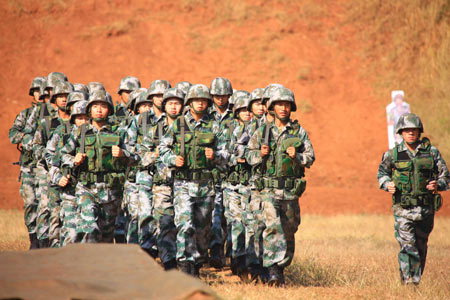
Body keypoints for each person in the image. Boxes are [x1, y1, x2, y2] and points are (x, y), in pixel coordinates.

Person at [246, 85, 315, 286]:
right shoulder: (262, 131)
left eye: (286, 105)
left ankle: (279, 267)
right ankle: (274, 270)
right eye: (279, 105)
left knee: (289, 229)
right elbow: (248, 156)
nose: (283, 108)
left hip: (290, 191)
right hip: (267, 190)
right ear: (272, 108)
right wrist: (260, 154)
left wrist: (298, 156)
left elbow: (311, 157)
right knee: (272, 227)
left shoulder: (298, 131)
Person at [159, 84, 228, 277]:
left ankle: (196, 263)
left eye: (203, 100)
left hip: (206, 186)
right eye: (196, 100)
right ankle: (185, 266)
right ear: (189, 102)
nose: (200, 103)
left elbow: (226, 154)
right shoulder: (178, 124)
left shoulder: (214, 126)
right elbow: (162, 151)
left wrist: (215, 155)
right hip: (183, 185)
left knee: (202, 229)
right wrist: (173, 159)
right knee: (185, 225)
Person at [377, 113, 449, 285]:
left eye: (414, 130)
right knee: (407, 246)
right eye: (407, 130)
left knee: (421, 248)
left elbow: (446, 176)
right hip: (403, 210)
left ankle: (409, 279)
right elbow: (382, 174)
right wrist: (387, 184)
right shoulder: (393, 154)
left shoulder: (431, 153)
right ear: (401, 132)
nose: (411, 133)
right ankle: (410, 284)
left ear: (419, 132)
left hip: (425, 210)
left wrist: (437, 184)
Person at [60, 90, 134, 243]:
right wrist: (74, 159)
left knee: (106, 236)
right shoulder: (80, 132)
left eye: (103, 106)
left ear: (109, 110)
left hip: (111, 191)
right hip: (86, 188)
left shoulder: (119, 132)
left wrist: (123, 154)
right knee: (89, 228)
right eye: (95, 106)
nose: (99, 109)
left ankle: (101, 265)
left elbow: (136, 158)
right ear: (89, 110)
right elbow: (62, 155)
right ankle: (87, 265)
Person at [139, 87, 185, 270]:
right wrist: (155, 154)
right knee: (165, 222)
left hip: (186, 183)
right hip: (162, 184)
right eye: (170, 103)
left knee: (184, 224)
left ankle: (187, 261)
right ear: (164, 105)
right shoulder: (156, 130)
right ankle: (169, 262)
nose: (174, 107)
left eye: (178, 103)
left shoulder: (188, 127)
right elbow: (141, 156)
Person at [8, 76, 46, 249]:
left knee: (46, 204)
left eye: (44, 91)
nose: (41, 94)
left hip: (46, 166)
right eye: (37, 91)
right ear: (33, 93)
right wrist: (27, 138)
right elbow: (13, 134)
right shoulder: (25, 115)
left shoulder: (52, 115)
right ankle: (34, 240)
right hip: (29, 167)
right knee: (31, 202)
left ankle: (45, 239)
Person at [208, 77, 234, 269]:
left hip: (232, 174)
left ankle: (233, 256)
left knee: (231, 218)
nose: (220, 98)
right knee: (215, 217)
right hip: (211, 175)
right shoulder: (206, 116)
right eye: (217, 95)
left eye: (223, 95)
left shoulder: (237, 116)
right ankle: (216, 253)